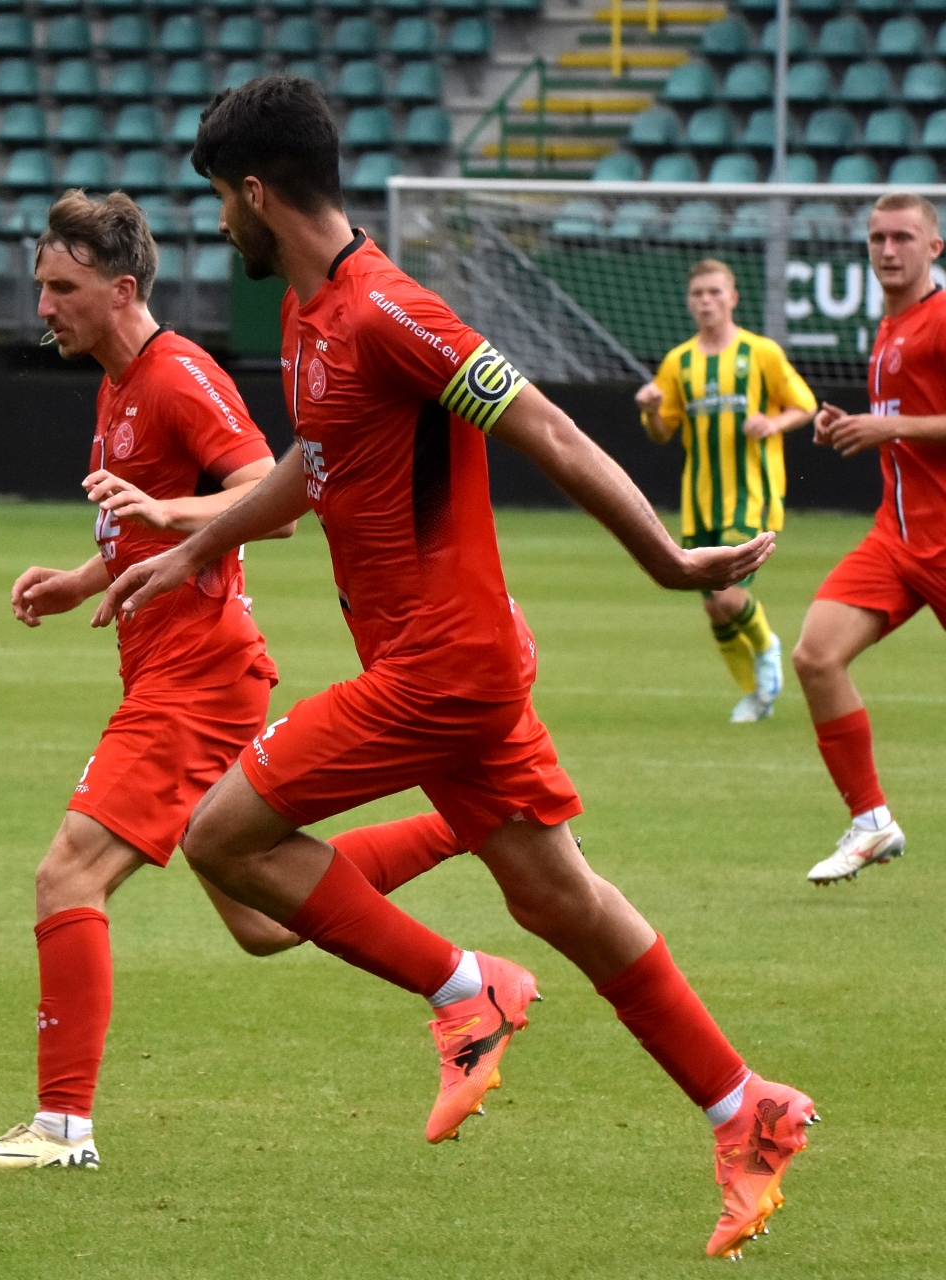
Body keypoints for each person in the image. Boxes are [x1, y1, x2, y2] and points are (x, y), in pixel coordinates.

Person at [97, 76, 816, 1260]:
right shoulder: (308, 310)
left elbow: (551, 427)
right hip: (441, 662)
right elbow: (313, 464)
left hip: (444, 665)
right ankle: (747, 1108)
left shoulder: (391, 310)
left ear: (258, 192)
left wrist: (668, 561)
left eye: (222, 199)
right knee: (560, 897)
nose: (218, 225)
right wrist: (200, 542)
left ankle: (462, 988)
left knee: (223, 838)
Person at [0, 190, 468, 1172]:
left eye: (61, 287)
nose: (42, 306)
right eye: (40, 286)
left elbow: (268, 499)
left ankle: (62, 1125)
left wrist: (162, 515)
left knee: (69, 871)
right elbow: (154, 519)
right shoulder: (116, 380)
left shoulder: (179, 373)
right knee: (262, 918)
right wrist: (81, 578)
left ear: (120, 286)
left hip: (197, 676)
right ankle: (460, 823)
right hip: (180, 666)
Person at [795, 192, 946, 884]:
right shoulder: (889, 328)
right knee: (816, 656)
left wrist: (889, 428)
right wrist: (850, 426)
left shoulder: (941, 320)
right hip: (897, 539)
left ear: (933, 248)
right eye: (879, 238)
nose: (889, 249)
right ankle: (871, 821)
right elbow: (904, 426)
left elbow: (909, 426)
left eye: (904, 238)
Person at [635, 260, 816, 722]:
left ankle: (767, 647)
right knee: (715, 610)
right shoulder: (679, 362)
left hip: (751, 496)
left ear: (733, 298)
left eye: (715, 292)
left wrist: (772, 422)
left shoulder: (761, 354)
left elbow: (804, 404)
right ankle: (756, 695)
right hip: (700, 504)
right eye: (698, 293)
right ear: (689, 301)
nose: (706, 301)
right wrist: (653, 410)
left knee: (729, 595)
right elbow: (662, 432)